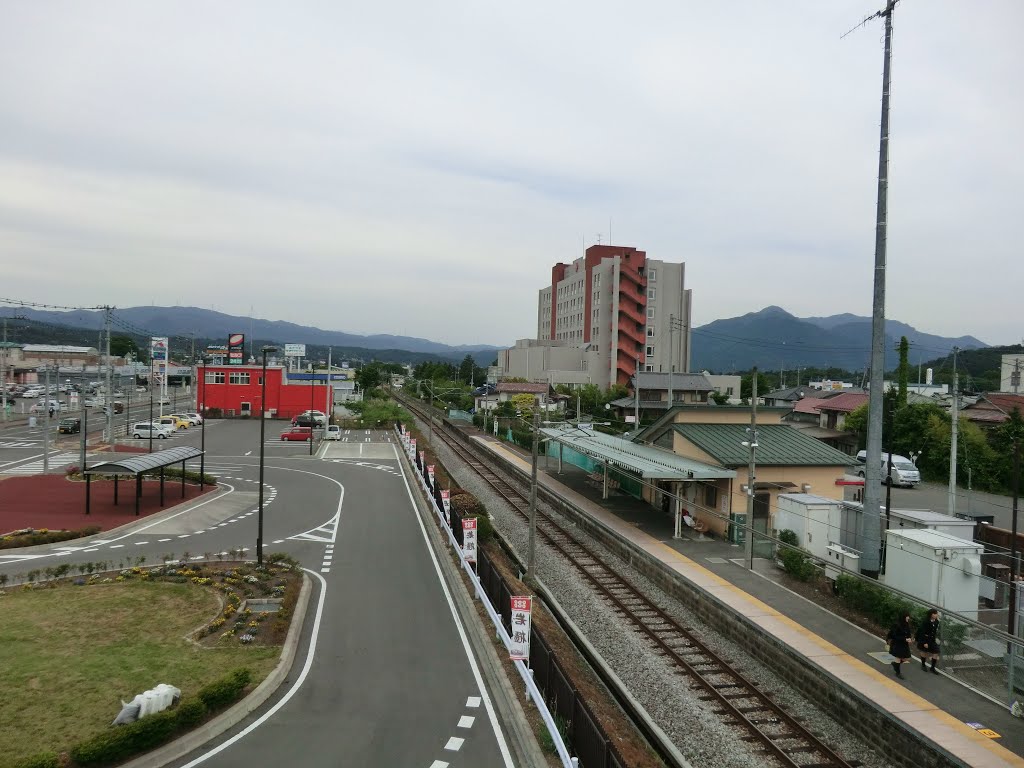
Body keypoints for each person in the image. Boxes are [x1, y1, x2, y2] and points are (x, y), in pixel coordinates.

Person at [886, 613, 914, 679]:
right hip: (897, 643)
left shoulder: (907, 624)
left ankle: (895, 664)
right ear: (904, 617)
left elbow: (908, 633)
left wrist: (909, 638)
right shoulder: (897, 625)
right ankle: (898, 673)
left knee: (907, 658)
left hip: (904, 644)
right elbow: (895, 636)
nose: (909, 618)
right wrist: (905, 639)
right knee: (898, 657)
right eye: (907, 616)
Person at [916, 608, 941, 674]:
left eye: (936, 613)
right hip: (924, 640)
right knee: (924, 652)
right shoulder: (925, 622)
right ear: (931, 614)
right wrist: (924, 642)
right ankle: (923, 665)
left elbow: (934, 631)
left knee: (936, 651)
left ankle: (932, 668)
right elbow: (922, 632)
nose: (936, 615)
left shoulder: (936, 621)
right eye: (935, 613)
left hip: (932, 640)